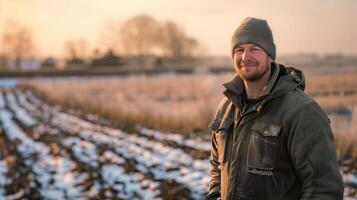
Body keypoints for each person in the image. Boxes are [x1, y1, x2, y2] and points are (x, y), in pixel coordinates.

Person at [206, 17, 343, 200]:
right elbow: (217, 167)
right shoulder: (226, 108)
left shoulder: (301, 112)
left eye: (254, 49)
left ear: (270, 56)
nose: (245, 57)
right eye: (239, 50)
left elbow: (324, 187)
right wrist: (215, 194)